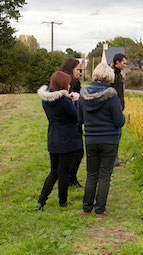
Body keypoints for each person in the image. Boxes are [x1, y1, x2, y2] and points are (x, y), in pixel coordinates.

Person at [77, 63, 125, 218]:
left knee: (91, 174)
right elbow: (119, 121)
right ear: (109, 77)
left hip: (90, 139)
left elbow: (80, 119)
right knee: (105, 175)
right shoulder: (111, 95)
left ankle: (86, 208)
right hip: (109, 140)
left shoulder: (83, 95)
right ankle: (100, 210)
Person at [35, 71, 82, 210]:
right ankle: (63, 202)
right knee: (64, 174)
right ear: (62, 84)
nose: (69, 86)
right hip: (68, 141)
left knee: (53, 172)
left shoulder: (46, 99)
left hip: (54, 138)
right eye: (68, 83)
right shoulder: (65, 101)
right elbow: (77, 117)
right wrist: (77, 101)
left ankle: (41, 202)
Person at [59, 58, 84, 188]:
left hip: (77, 120)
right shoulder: (62, 83)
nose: (79, 72)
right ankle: (68, 178)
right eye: (77, 70)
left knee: (79, 152)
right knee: (73, 153)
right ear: (70, 69)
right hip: (68, 122)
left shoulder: (77, 83)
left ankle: (72, 178)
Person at [111, 53, 127, 167]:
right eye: (124, 63)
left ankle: (114, 158)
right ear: (117, 62)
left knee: (118, 134)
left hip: (119, 108)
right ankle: (113, 159)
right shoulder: (112, 74)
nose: (125, 65)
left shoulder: (119, 74)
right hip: (113, 109)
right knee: (115, 134)